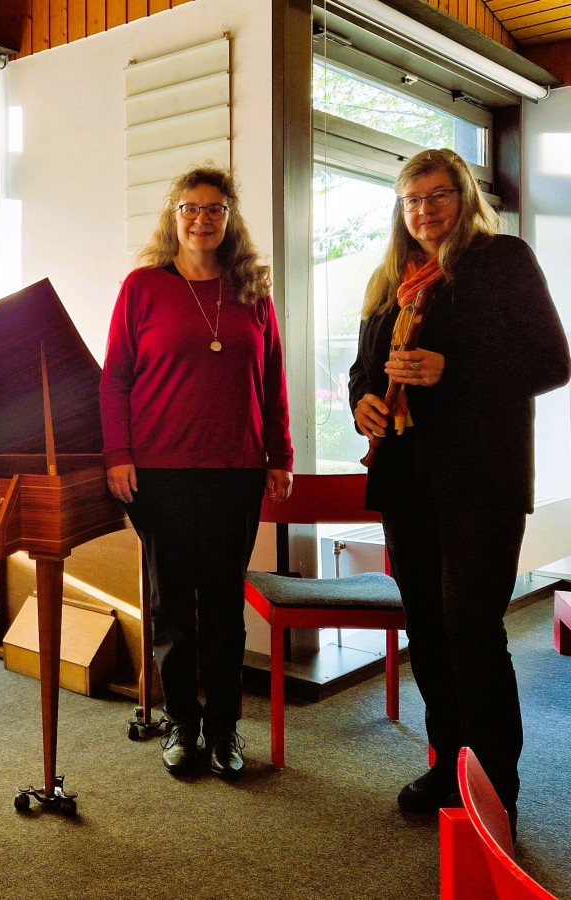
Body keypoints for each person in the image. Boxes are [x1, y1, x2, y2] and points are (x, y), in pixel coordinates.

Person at [349, 148, 570, 832]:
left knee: (471, 628)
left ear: (464, 197)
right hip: (408, 481)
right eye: (412, 200)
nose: (425, 210)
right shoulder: (389, 279)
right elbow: (362, 370)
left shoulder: (504, 260)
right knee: (429, 631)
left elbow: (552, 361)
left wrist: (453, 366)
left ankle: (494, 785)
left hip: (482, 479)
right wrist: (362, 402)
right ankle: (448, 765)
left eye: (439, 195)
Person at [100, 166, 294, 782]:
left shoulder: (252, 294)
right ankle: (182, 724)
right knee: (173, 609)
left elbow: (273, 383)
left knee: (225, 609)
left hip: (235, 470)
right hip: (158, 471)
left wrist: (280, 456)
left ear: (230, 218)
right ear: (174, 216)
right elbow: (116, 380)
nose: (202, 219)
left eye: (214, 209)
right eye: (190, 208)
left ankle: (224, 728)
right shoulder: (142, 288)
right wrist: (117, 454)